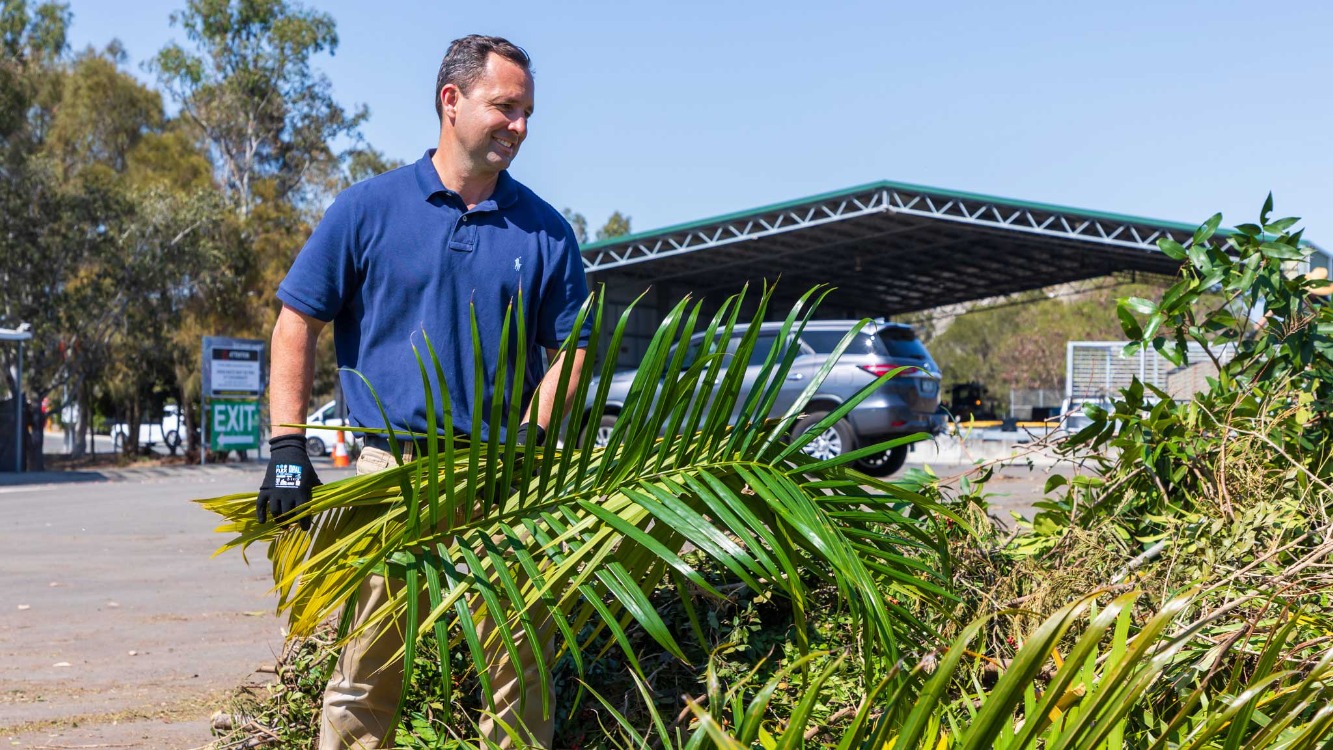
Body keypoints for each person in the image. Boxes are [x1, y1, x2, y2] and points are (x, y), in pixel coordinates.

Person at [256, 34, 590, 750]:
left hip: (501, 479)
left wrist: (531, 437)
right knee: (366, 672)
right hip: (390, 473)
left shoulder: (546, 232)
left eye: (527, 114)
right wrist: (286, 449)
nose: (519, 127)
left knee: (520, 674)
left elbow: (574, 348)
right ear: (451, 100)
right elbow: (296, 321)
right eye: (505, 107)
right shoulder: (367, 209)